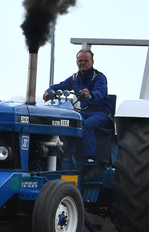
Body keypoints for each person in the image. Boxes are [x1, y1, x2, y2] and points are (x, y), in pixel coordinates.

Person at [43, 48, 113, 181]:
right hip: (85, 112)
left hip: (101, 114)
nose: (83, 63)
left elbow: (100, 93)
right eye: (80, 61)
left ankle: (90, 163)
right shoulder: (75, 78)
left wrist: (90, 95)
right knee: (68, 120)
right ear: (77, 62)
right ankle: (64, 155)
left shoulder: (99, 77)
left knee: (87, 124)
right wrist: (48, 91)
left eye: (86, 61)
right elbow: (60, 86)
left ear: (92, 62)